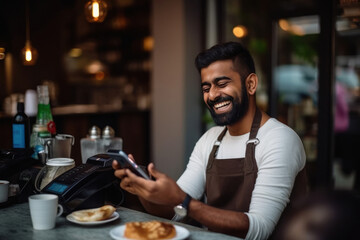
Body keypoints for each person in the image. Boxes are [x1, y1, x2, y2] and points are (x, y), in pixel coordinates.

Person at [112, 41, 307, 239]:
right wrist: (145, 190)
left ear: (250, 84)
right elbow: (174, 213)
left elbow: (259, 230)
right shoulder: (210, 140)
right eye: (206, 87)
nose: (213, 95)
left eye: (222, 84)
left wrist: (184, 201)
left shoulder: (280, 139)